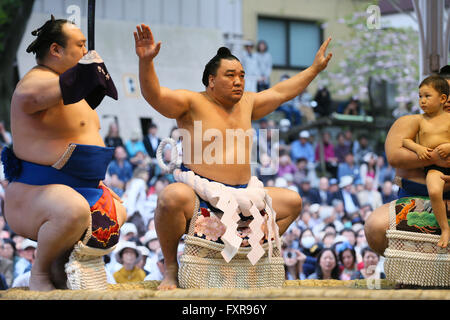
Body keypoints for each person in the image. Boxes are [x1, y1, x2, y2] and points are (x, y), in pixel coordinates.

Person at [134, 24, 332, 289]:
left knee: (292, 202)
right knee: (170, 197)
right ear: (211, 80)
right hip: (202, 197)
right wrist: (146, 62)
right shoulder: (191, 102)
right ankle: (171, 267)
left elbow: (282, 92)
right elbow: (155, 95)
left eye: (241, 75)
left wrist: (314, 69)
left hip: (245, 198)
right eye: (230, 75)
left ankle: (246, 254)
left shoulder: (248, 103)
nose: (238, 81)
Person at [2, 17, 127, 291]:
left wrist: (98, 183)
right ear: (56, 50)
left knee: (116, 210)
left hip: (83, 186)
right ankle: (40, 272)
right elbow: (37, 97)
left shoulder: (70, 91)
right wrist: (83, 73)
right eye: (80, 45)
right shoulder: (33, 84)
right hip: (36, 191)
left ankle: (60, 266)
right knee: (72, 210)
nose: (85, 51)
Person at [365, 66, 450, 257]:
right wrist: (433, 157)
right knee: (377, 226)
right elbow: (394, 156)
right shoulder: (412, 122)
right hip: (415, 197)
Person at [401, 75, 450, 248]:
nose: (422, 101)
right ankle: (445, 229)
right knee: (434, 191)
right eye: (420, 96)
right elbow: (405, 140)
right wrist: (419, 148)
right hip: (435, 168)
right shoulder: (419, 120)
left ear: (442, 98)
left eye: (427, 96)